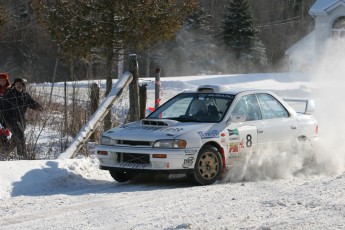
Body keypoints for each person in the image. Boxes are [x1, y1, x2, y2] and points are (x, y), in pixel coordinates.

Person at [3, 78, 42, 158]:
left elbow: (31, 103)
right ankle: (22, 156)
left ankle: (5, 151)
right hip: (10, 119)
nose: (19, 85)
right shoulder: (9, 94)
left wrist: (38, 106)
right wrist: (4, 120)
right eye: (17, 84)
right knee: (20, 134)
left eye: (21, 84)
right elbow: (3, 108)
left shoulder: (25, 95)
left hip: (21, 119)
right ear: (14, 85)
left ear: (23, 86)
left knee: (16, 136)